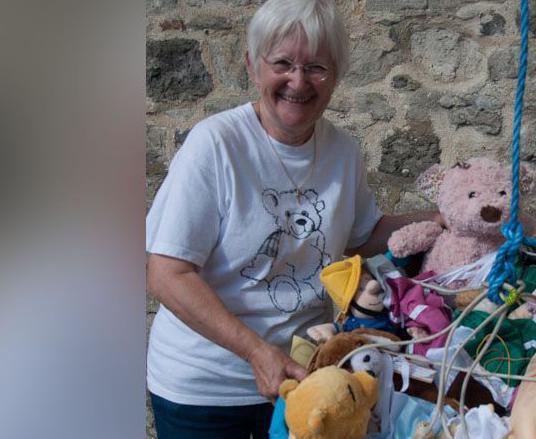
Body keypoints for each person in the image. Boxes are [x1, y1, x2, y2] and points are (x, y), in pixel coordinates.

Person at [145, 1, 443, 437]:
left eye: (317, 68)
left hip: (305, 380)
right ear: (253, 65)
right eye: (282, 64)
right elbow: (167, 273)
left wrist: (444, 219)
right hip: (207, 391)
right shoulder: (215, 145)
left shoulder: (343, 150)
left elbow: (363, 236)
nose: (298, 82)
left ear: (336, 74)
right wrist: (255, 352)